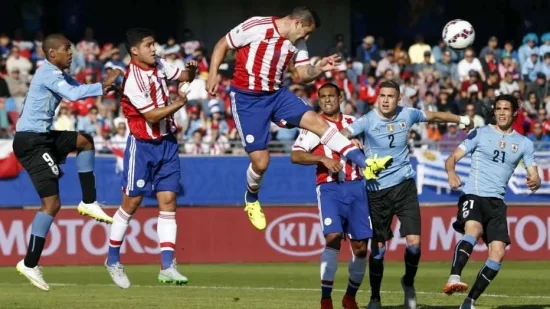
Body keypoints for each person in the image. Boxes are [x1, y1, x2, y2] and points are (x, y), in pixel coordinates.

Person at [206, 6, 382, 231]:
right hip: (247, 99)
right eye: (307, 32)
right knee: (261, 162)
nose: (307, 38)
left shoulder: (297, 43)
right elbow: (223, 43)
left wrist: (320, 68)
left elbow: (301, 75)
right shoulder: (258, 26)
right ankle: (251, 199)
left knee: (320, 123)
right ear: (298, 23)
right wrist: (213, 75)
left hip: (277, 95)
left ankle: (365, 164)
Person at [340, 80, 474, 309]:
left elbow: (435, 116)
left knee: (414, 243)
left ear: (398, 98)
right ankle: (375, 297)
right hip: (376, 191)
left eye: (390, 96)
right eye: (381, 95)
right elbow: (343, 133)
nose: (384, 100)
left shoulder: (408, 114)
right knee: (379, 250)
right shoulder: (368, 120)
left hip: (404, 186)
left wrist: (461, 119)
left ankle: (408, 283)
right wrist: (347, 144)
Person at [13, 33, 121, 291]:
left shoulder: (58, 74)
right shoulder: (47, 73)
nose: (71, 53)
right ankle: (29, 263)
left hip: (43, 137)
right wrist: (102, 85)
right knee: (51, 204)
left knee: (85, 140)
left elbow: (79, 88)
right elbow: (73, 95)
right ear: (52, 54)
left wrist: (106, 86)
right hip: (30, 142)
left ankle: (88, 201)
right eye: (67, 49)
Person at [104, 28, 197, 289]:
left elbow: (183, 75)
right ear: (135, 50)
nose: (154, 49)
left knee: (168, 201)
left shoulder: (159, 64)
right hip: (142, 146)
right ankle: (112, 259)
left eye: (154, 44)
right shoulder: (132, 79)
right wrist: (180, 103)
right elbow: (152, 117)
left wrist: (192, 70)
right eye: (148, 45)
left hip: (168, 143)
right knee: (131, 203)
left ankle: (167, 266)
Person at [291, 83, 386, 309]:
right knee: (332, 237)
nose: (326, 100)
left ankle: (350, 296)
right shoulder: (313, 126)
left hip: (357, 187)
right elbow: (295, 155)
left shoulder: (355, 123)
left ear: (340, 97)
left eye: (331, 96)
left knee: (361, 247)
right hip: (329, 188)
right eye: (322, 97)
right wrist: (322, 159)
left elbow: (373, 150)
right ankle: (326, 299)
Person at [442, 94, 541, 309]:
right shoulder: (480, 133)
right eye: (499, 109)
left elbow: (534, 173)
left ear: (515, 112)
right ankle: (453, 277)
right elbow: (452, 159)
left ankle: (469, 301)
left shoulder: (524, 144)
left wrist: (536, 180)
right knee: (473, 230)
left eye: (507, 109)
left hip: (497, 202)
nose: (502, 113)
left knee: (498, 253)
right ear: (494, 111)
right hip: (474, 195)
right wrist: (451, 173)